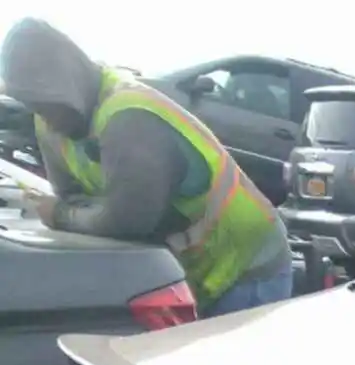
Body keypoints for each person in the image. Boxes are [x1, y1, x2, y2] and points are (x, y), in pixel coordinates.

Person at [0, 18, 292, 317]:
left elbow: (128, 220)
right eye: (34, 106)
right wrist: (77, 212)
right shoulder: (51, 125)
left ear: (66, 83)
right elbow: (74, 199)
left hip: (249, 267)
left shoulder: (128, 116)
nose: (45, 119)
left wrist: (61, 215)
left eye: (47, 105)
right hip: (195, 271)